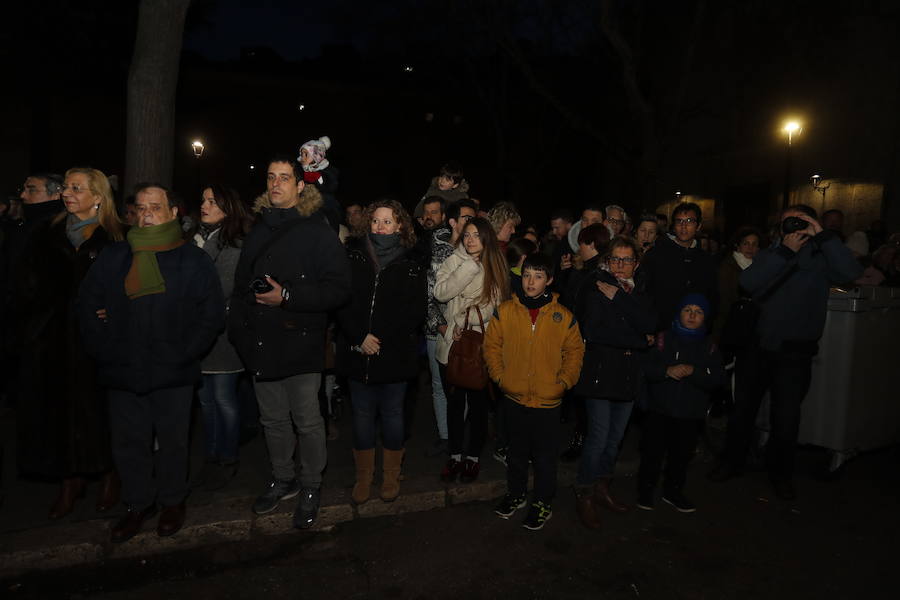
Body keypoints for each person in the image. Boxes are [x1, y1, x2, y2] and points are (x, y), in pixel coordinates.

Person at [77, 183, 223, 542]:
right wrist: (106, 348)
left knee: (173, 442)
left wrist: (184, 352)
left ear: (174, 213)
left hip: (173, 371)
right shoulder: (115, 256)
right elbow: (86, 305)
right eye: (140, 209)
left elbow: (211, 315)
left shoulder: (192, 260)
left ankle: (173, 502)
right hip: (123, 368)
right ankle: (137, 504)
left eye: (154, 208)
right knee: (129, 442)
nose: (145, 215)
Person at [228, 155, 351, 528]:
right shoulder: (258, 228)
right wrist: (240, 333)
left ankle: (311, 485)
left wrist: (287, 297)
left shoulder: (317, 231)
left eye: (285, 177)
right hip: (261, 343)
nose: (276, 184)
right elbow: (239, 287)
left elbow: (339, 289)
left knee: (307, 421)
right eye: (270, 177)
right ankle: (284, 479)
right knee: (273, 420)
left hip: (300, 341)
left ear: (301, 186)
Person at [708, 205, 861, 500]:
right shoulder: (772, 253)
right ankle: (731, 462)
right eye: (787, 222)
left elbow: (851, 271)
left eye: (800, 221)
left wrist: (823, 234)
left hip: (795, 352)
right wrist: (785, 252)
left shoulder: (822, 256)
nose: (792, 227)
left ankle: (780, 474)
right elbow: (748, 282)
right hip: (757, 347)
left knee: (786, 418)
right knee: (743, 411)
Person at [16, 168, 124, 520]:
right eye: (66, 186)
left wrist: (115, 313)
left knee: (100, 410)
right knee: (58, 409)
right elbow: (25, 285)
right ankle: (70, 479)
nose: (67, 192)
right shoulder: (45, 233)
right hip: (53, 338)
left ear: (98, 196)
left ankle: (109, 474)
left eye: (77, 187)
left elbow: (130, 287)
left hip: (97, 340)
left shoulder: (116, 236)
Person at [485, 254, 584, 530]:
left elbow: (574, 353)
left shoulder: (562, 316)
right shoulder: (505, 311)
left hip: (548, 401)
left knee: (544, 456)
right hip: (514, 396)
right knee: (516, 453)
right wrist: (501, 378)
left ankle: (542, 501)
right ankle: (515, 494)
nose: (531, 281)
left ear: (549, 280)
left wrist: (562, 383)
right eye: (527, 275)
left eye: (538, 276)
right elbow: (491, 346)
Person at [336, 199, 426, 504]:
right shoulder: (354, 256)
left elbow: (414, 312)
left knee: (392, 415)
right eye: (375, 221)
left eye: (387, 221)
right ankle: (363, 477)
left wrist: (380, 338)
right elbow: (342, 301)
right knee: (361, 416)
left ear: (400, 225)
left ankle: (390, 475)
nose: (380, 227)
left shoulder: (412, 264)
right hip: (357, 351)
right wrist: (360, 336)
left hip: (394, 354)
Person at [573, 236, 655, 528]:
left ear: (637, 262)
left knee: (614, 439)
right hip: (600, 374)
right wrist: (639, 340)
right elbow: (596, 331)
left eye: (627, 260)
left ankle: (601, 488)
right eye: (616, 259)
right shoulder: (597, 286)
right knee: (598, 437)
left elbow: (650, 323)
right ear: (607, 260)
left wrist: (620, 299)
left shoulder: (638, 289)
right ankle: (584, 492)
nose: (621, 266)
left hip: (629, 375)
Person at [433, 217, 509, 483]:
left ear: (486, 237)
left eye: (476, 235)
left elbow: (494, 304)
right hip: (451, 346)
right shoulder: (454, 261)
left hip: (478, 344)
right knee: (454, 405)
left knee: (478, 405)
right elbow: (441, 293)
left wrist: (463, 319)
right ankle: (454, 455)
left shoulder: (495, 264)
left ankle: (473, 457)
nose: (471, 240)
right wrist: (468, 268)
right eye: (467, 235)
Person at [637, 294, 725, 512]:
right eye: (688, 310)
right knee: (652, 453)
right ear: (679, 313)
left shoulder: (709, 346)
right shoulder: (663, 339)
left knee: (681, 456)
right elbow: (645, 368)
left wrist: (695, 372)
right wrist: (666, 371)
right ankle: (646, 492)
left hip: (689, 413)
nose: (692, 315)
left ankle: (673, 492)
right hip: (660, 409)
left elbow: (717, 378)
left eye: (699, 311)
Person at [191, 184, 250, 492]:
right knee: (206, 401)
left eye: (212, 200)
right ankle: (211, 455)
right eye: (203, 199)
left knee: (224, 399)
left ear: (227, 207)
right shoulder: (198, 238)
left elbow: (221, 289)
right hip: (198, 335)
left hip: (223, 336)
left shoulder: (234, 243)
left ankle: (228, 457)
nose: (204, 204)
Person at [424, 199, 477, 458]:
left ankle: (460, 435)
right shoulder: (438, 250)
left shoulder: (476, 248)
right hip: (439, 331)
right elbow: (430, 294)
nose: (471, 222)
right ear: (454, 221)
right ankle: (447, 437)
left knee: (465, 385)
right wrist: (441, 326)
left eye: (473, 217)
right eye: (466, 217)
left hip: (465, 332)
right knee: (440, 385)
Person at [640, 202, 718, 334]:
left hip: (694, 331)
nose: (683, 226)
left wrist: (708, 330)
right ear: (673, 226)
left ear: (698, 226)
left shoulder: (706, 260)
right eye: (679, 221)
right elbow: (644, 293)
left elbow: (713, 298)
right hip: (662, 330)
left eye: (689, 221)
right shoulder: (656, 255)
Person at [713, 227, 761, 337]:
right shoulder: (727, 267)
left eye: (754, 244)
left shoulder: (760, 267)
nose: (750, 248)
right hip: (731, 323)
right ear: (738, 246)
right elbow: (724, 301)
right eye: (746, 243)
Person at [298, 136, 341, 230]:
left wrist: (319, 178)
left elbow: (331, 185)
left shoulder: (328, 172)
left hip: (326, 210)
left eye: (305, 154)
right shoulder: (301, 174)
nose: (302, 158)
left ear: (316, 156)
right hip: (307, 212)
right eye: (301, 155)